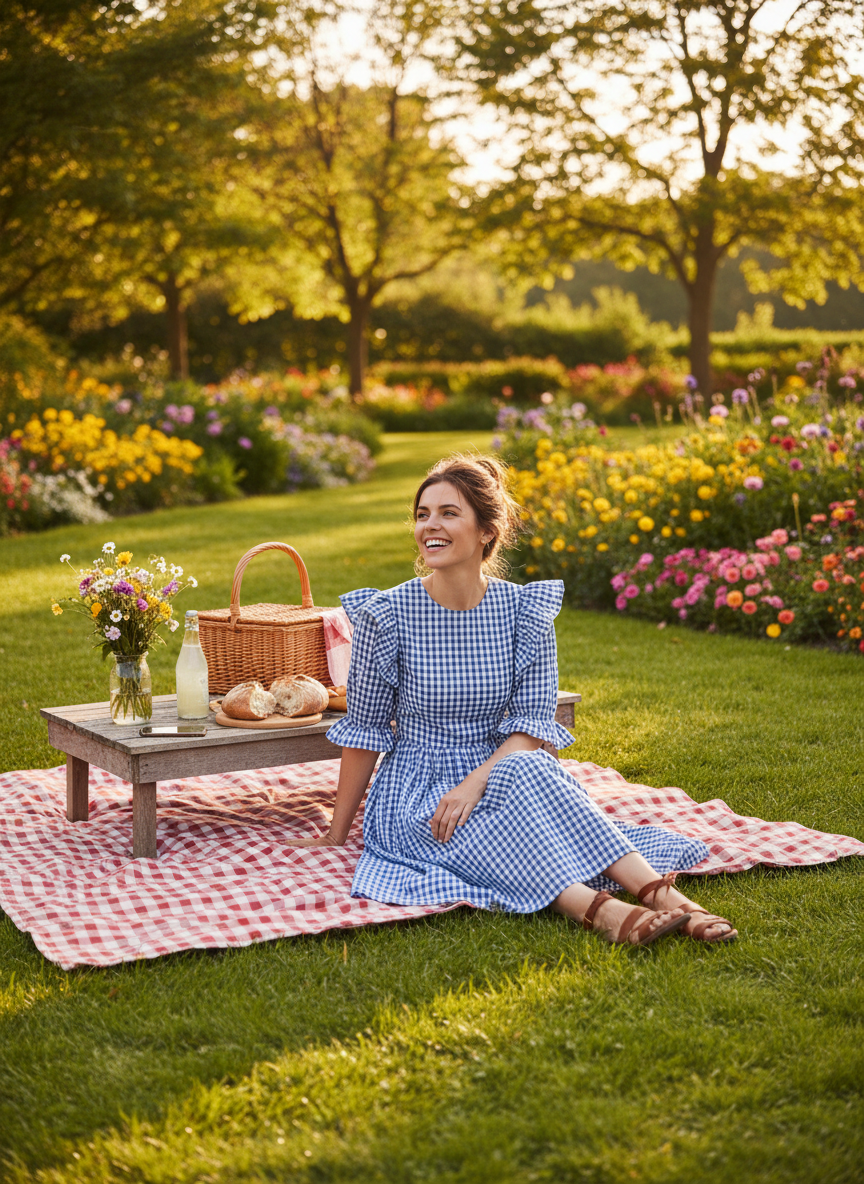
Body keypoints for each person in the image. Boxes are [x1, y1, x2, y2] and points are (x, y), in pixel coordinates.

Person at [288, 454, 736, 945]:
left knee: (534, 768)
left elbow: (531, 723)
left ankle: (659, 896)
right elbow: (366, 731)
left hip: (504, 768)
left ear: (486, 531)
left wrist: (474, 783)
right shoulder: (386, 615)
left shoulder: (525, 611)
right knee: (496, 825)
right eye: (422, 514)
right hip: (416, 792)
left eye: (448, 513)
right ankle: (600, 911)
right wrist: (337, 832)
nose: (429, 526)